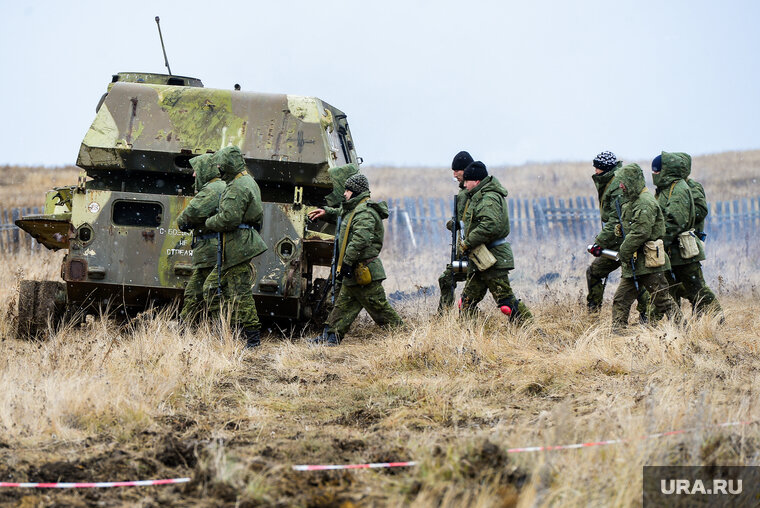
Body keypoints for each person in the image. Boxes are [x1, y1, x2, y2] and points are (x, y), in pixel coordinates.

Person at [306, 173, 403, 345]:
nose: (344, 193)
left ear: (356, 192)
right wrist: (326, 212)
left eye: (348, 190)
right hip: (355, 272)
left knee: (379, 308)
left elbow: (360, 241)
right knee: (343, 306)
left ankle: (405, 336)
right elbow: (343, 215)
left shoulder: (365, 212)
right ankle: (331, 336)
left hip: (363, 271)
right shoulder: (355, 209)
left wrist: (347, 263)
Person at [203, 145, 268, 348]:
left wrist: (208, 222)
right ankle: (226, 330)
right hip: (236, 244)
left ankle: (252, 339)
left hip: (238, 246)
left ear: (230, 165)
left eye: (222, 165)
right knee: (213, 288)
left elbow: (228, 219)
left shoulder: (238, 186)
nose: (219, 169)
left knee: (240, 293)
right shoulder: (245, 181)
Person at [611, 163, 682, 330]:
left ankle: (683, 331)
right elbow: (635, 227)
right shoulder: (634, 200)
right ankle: (617, 334)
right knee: (621, 299)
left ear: (631, 181)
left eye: (623, 182)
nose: (621, 186)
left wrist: (623, 251)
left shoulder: (644, 202)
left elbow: (641, 233)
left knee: (662, 300)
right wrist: (621, 229)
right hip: (637, 262)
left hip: (648, 262)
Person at [458, 161, 532, 322]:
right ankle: (470, 335)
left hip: (494, 258)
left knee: (506, 303)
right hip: (481, 258)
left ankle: (531, 330)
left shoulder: (488, 198)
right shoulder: (479, 196)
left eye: (467, 181)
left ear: (476, 181)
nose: (464, 185)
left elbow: (489, 226)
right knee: (466, 303)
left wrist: (467, 242)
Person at [652, 151, 721, 316]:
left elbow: (699, 211)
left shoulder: (688, 187)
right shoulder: (665, 189)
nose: (654, 174)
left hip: (684, 244)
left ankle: (714, 319)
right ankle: (676, 324)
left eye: (657, 170)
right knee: (672, 287)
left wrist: (683, 215)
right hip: (670, 246)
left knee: (695, 286)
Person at [586, 151, 650, 320]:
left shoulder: (615, 187)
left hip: (623, 241)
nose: (594, 170)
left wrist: (600, 242)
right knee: (597, 272)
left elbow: (616, 219)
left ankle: (647, 315)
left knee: (633, 278)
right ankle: (593, 315)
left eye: (597, 167)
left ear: (605, 169)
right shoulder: (609, 182)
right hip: (616, 239)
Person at [176, 153, 226, 324]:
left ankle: (219, 331)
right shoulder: (219, 187)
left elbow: (189, 216)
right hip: (209, 249)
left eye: (197, 171)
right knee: (194, 291)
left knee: (207, 292)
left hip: (210, 249)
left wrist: (182, 222)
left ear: (206, 170)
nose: (194, 175)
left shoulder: (212, 190)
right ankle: (185, 328)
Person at [437, 150, 474, 313]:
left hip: (472, 249)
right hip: (464, 249)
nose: (454, 174)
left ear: (465, 170)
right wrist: (455, 224)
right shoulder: (464, 193)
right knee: (447, 278)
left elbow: (470, 220)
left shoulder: (470, 193)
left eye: (457, 171)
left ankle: (449, 316)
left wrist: (457, 224)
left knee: (472, 288)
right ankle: (444, 316)